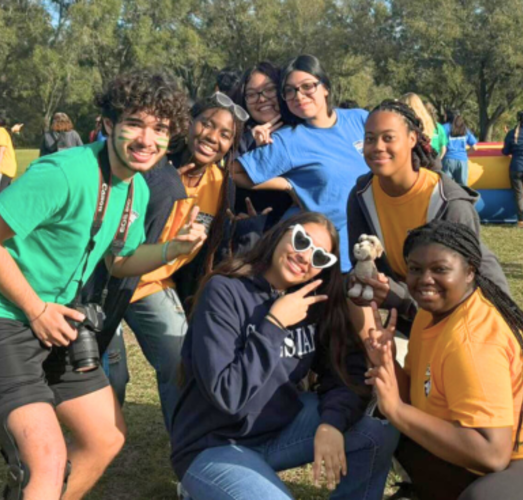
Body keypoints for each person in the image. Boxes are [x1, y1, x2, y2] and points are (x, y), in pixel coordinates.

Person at [0, 69, 196, 500]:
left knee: (104, 438)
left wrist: (173, 249)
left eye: (161, 129)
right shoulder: (65, 171)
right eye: (135, 123)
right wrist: (36, 309)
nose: (147, 139)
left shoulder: (137, 188)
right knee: (46, 459)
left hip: (55, 321)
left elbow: (119, 261)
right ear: (110, 124)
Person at [170, 212, 399, 500]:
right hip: (213, 443)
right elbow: (227, 395)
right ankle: (203, 487)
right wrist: (275, 325)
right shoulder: (224, 291)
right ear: (282, 232)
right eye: (301, 241)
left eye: (320, 258)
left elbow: (342, 372)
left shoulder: (312, 301)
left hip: (277, 431)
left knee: (375, 431)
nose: (306, 257)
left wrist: (332, 423)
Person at [366, 220, 523, 500]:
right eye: (415, 269)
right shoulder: (430, 314)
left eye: (440, 269)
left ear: (470, 271)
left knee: (488, 497)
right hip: (514, 453)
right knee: (399, 432)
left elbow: (491, 454)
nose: (425, 279)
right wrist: (387, 363)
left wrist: (397, 410)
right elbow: (416, 396)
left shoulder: (472, 339)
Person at [96, 92, 246, 422]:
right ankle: (91, 443)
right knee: (111, 379)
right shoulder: (149, 164)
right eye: (206, 123)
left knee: (180, 358)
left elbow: (212, 250)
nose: (212, 136)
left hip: (152, 284)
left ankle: (184, 446)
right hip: (107, 282)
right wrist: (160, 189)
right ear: (188, 123)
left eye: (225, 134)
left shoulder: (220, 185)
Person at [347, 100, 508, 336]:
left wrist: (398, 297)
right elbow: (362, 264)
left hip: (466, 324)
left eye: (388, 138)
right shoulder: (362, 195)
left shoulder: (449, 203)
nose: (378, 147)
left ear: (412, 139)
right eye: (370, 139)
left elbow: (466, 291)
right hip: (410, 321)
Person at [233, 54, 370, 274]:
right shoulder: (288, 140)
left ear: (325, 87)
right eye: (290, 90)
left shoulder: (360, 119)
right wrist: (288, 184)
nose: (299, 95)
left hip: (376, 247)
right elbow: (233, 172)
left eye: (307, 86)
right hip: (329, 260)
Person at [232, 61, 294, 228]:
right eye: (252, 94)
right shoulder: (235, 137)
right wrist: (249, 143)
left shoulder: (301, 131)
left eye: (269, 89)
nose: (262, 99)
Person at [441, 110, 477, 186]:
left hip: (448, 160)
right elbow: (474, 147)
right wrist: (464, 153)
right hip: (462, 160)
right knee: (463, 188)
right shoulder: (464, 129)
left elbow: (443, 149)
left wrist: (438, 159)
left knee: (447, 187)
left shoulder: (443, 128)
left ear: (448, 116)